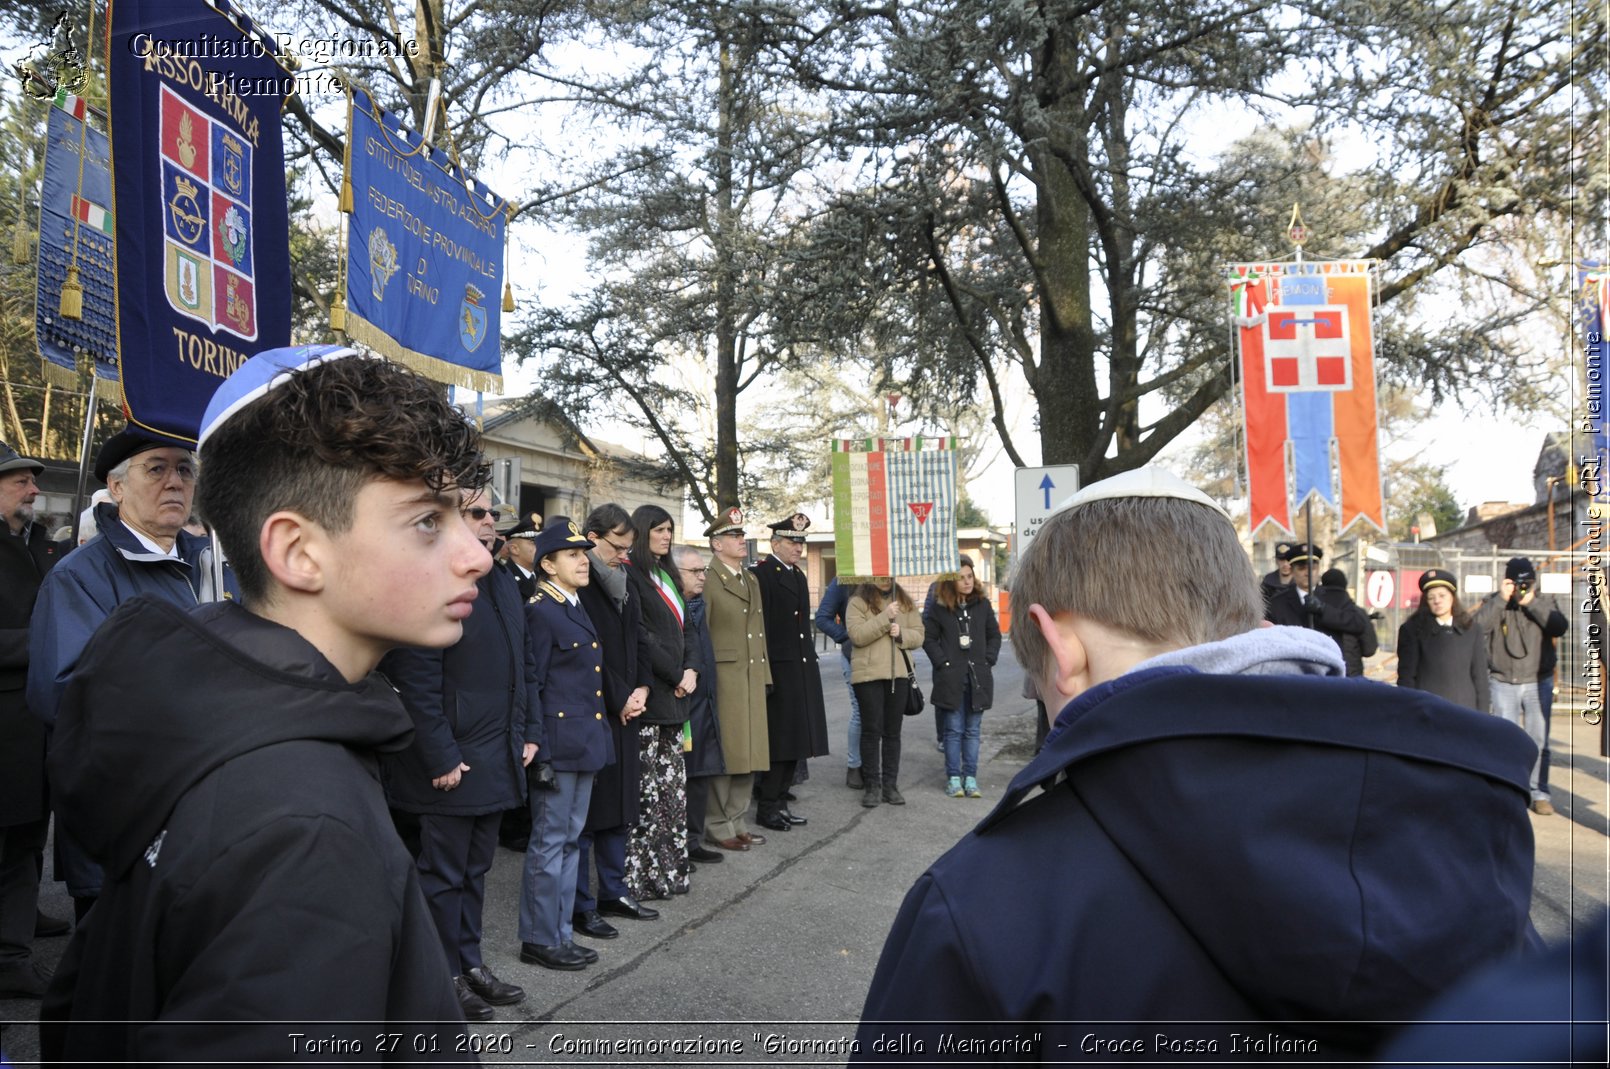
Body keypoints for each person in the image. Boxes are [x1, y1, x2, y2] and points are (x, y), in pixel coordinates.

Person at [854, 466, 1539, 1061]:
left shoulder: (979, 904)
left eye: (1038, 685)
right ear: (1259, 629)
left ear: (1057, 647)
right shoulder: (1472, 838)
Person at [39, 345, 483, 1061]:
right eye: (429, 520)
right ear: (298, 550)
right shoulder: (308, 827)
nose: (477, 554)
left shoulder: (217, 721)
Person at [27, 425, 218, 921]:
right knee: (116, 987)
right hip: (126, 822)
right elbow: (64, 696)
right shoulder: (80, 576)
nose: (175, 482)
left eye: (184, 469)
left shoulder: (214, 568)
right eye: (156, 468)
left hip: (209, 815)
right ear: (116, 488)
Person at [378, 487, 532, 1020]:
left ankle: (470, 964)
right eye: (477, 513)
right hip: (453, 760)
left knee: (476, 869)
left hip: (496, 751)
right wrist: (440, 755)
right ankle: (439, 976)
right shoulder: (430, 575)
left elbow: (523, 666)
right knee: (442, 874)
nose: (490, 522)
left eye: (492, 514)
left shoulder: (502, 579)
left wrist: (528, 732)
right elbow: (415, 680)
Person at [518, 520, 614, 972]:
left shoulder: (572, 604)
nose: (583, 560)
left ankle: (558, 932)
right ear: (548, 564)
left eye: (584, 553)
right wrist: (537, 744)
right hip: (558, 743)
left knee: (570, 840)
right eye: (573, 555)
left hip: (583, 739)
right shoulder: (541, 609)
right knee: (550, 841)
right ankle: (539, 938)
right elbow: (531, 683)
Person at [573, 504, 657, 927]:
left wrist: (642, 688)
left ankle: (614, 891)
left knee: (620, 807)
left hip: (627, 707)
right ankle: (581, 905)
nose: (625, 555)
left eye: (628, 548)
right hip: (596, 710)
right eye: (617, 546)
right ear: (592, 537)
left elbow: (639, 639)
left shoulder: (623, 579)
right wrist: (621, 697)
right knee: (587, 815)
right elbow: (587, 655)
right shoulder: (580, 582)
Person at [0, 442, 64, 999]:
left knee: (25, 833)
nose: (33, 489)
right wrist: (44, 643)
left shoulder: (36, 544)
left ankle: (17, 921)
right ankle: (9, 955)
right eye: (20, 481)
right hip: (3, 721)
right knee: (8, 836)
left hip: (31, 717)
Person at [622, 504, 694, 899]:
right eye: (660, 530)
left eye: (670, 530)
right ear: (643, 531)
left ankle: (670, 872)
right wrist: (676, 674)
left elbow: (692, 629)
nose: (667, 536)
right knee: (647, 796)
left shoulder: (668, 575)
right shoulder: (630, 574)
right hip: (652, 699)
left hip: (679, 698)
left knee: (672, 794)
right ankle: (643, 877)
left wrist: (694, 669)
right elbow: (643, 635)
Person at [750, 512, 829, 831]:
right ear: (775, 544)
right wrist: (767, 674)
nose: (798, 548)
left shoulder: (795, 574)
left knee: (795, 741)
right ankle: (768, 806)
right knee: (780, 742)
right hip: (779, 672)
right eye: (792, 543)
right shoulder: (763, 575)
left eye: (800, 543)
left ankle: (780, 801)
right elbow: (761, 629)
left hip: (799, 668)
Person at [1474, 556, 1569, 815]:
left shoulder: (1544, 601)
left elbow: (1559, 627)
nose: (1521, 588)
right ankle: (1509, 790)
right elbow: (1477, 628)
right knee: (1506, 739)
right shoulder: (1494, 601)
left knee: (1539, 740)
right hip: (1503, 680)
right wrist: (1501, 600)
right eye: (1516, 583)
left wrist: (1531, 603)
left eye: (1526, 583)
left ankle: (1539, 792)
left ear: (1534, 582)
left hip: (1538, 680)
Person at [701, 507, 771, 851]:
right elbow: (701, 633)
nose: (741, 541)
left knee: (751, 751)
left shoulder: (750, 578)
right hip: (724, 677)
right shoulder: (708, 578)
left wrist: (765, 674)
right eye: (734, 536)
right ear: (716, 544)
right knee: (727, 753)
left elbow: (758, 633)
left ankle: (737, 818)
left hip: (750, 674)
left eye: (742, 535)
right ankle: (716, 822)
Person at [922, 554, 1001, 799]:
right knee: (953, 730)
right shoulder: (939, 606)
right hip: (951, 677)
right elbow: (929, 638)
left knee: (973, 730)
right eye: (961, 578)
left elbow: (994, 635)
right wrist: (942, 663)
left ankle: (971, 778)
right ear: (950, 581)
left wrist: (988, 659)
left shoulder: (982, 604)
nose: (967, 582)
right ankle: (954, 778)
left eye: (969, 576)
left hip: (977, 676)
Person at [846, 576, 924, 808]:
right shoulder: (857, 602)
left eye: (887, 575)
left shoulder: (905, 602)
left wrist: (901, 633)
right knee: (871, 731)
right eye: (878, 575)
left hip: (898, 675)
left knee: (893, 732)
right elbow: (858, 636)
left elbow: (919, 635)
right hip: (868, 676)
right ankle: (872, 786)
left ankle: (890, 785)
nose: (883, 580)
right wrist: (885, 617)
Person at [673, 545, 727, 865]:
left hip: (704, 700)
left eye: (702, 570)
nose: (702, 576)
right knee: (680, 776)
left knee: (700, 773)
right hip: (681, 704)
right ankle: (676, 843)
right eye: (694, 571)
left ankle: (693, 839)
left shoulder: (698, 605)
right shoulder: (672, 605)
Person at [1396, 568, 1488, 714]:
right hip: (1427, 711)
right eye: (1431, 597)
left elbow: (1480, 677)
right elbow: (1406, 678)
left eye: (1442, 595)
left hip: (1465, 712)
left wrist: (1484, 716)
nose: (1437, 601)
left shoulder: (1471, 630)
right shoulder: (1412, 630)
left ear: (1452, 597)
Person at [814, 576, 865, 789]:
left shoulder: (883, 575)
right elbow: (822, 617)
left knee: (881, 714)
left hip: (884, 657)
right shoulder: (843, 580)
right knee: (860, 711)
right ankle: (855, 766)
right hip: (855, 655)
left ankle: (872, 766)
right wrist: (847, 637)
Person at [1311, 568, 1376, 676]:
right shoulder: (1358, 614)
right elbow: (1369, 650)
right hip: (1352, 677)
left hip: (1321, 674)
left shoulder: (1313, 610)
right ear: (1345, 585)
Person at [1259, 540, 1294, 611]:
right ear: (1276, 561)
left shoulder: (1301, 580)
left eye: (1288, 560)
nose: (1285, 564)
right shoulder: (1268, 581)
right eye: (1281, 560)